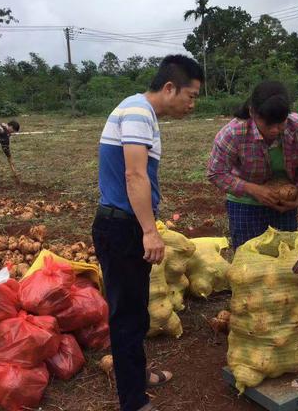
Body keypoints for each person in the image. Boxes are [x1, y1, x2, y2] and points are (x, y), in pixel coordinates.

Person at [92, 55, 203, 411]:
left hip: (122, 224)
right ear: (169, 88)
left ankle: (136, 377)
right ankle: (133, 402)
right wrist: (149, 231)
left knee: (136, 311)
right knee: (127, 316)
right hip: (122, 226)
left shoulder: (139, 111)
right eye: (190, 95)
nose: (192, 104)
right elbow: (134, 176)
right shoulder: (139, 112)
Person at [207, 81, 298, 249]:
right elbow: (216, 172)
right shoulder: (233, 133)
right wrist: (252, 189)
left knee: (285, 257)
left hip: (284, 205)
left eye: (281, 122)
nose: (276, 130)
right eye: (269, 124)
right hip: (245, 204)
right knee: (248, 257)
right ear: (252, 113)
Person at [0, 120, 20, 189]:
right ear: (10, 126)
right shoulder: (4, 132)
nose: (11, 133)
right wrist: (9, 157)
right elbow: (5, 147)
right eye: (12, 131)